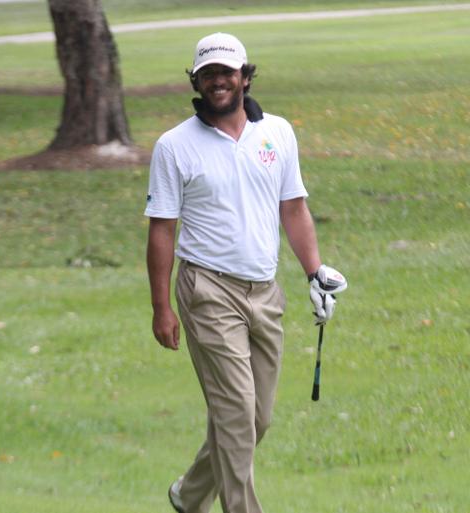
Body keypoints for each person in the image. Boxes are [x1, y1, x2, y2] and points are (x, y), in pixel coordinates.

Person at [144, 33, 347, 513]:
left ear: (245, 77)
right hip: (208, 290)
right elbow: (162, 231)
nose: (218, 80)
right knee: (235, 414)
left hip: (265, 292)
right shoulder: (174, 146)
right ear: (195, 80)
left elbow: (293, 208)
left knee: (257, 418)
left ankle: (189, 495)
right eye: (208, 73)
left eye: (227, 72)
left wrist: (314, 272)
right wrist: (161, 307)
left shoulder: (277, 132)